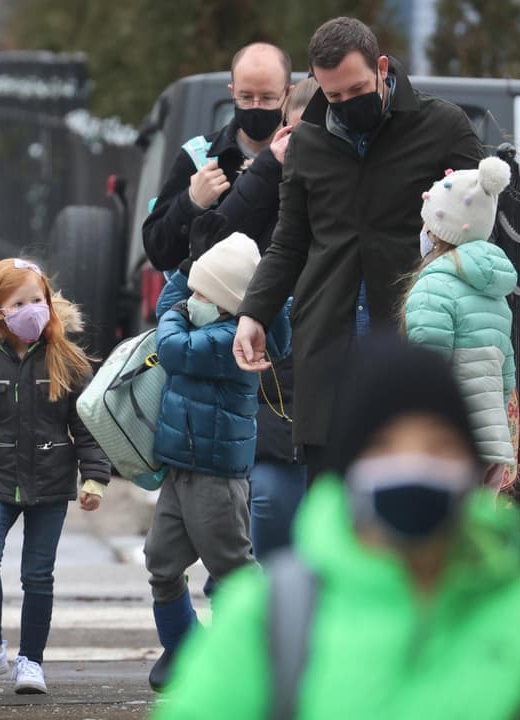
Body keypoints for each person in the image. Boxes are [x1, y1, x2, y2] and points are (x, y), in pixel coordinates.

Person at [155, 338, 520, 719]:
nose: (413, 465)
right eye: (384, 447)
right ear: (349, 470)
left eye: (438, 446)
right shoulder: (272, 621)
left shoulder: (513, 623)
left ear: (470, 467)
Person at [233, 17, 485, 481]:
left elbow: (479, 228)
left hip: (415, 340)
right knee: (330, 511)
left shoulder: (442, 126)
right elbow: (289, 243)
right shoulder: (307, 144)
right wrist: (254, 315)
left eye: (356, 89)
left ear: (381, 67)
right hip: (329, 349)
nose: (348, 104)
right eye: (334, 96)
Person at [0, 259, 111, 694]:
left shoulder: (66, 358)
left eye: (38, 300)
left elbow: (87, 423)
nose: (32, 309)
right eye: (20, 302)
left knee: (38, 573)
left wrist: (95, 477)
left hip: (52, 481)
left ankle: (31, 660)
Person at [146, 233, 291, 692]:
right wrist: (190, 269)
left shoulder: (236, 341)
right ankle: (184, 652)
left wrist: (174, 312)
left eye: (203, 295)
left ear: (229, 302)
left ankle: (259, 656)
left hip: (215, 475)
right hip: (180, 467)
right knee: (161, 563)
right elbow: (171, 308)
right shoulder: (205, 317)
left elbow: (171, 347)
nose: (193, 302)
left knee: (234, 571)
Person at [187, 78, 320, 559]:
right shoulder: (269, 179)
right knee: (265, 505)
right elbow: (207, 246)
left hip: (324, 388)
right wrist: (267, 170)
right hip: (273, 406)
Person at [403, 156, 516, 487]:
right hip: (491, 442)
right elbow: (506, 376)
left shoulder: (433, 286)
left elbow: (426, 369)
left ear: (437, 232)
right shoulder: (494, 292)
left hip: (448, 442)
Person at [142, 42, 294, 271]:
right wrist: (191, 202)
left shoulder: (302, 157)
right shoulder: (200, 156)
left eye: (267, 98)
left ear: (288, 94)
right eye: (245, 96)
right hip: (212, 299)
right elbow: (158, 252)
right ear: (232, 91)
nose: (255, 106)